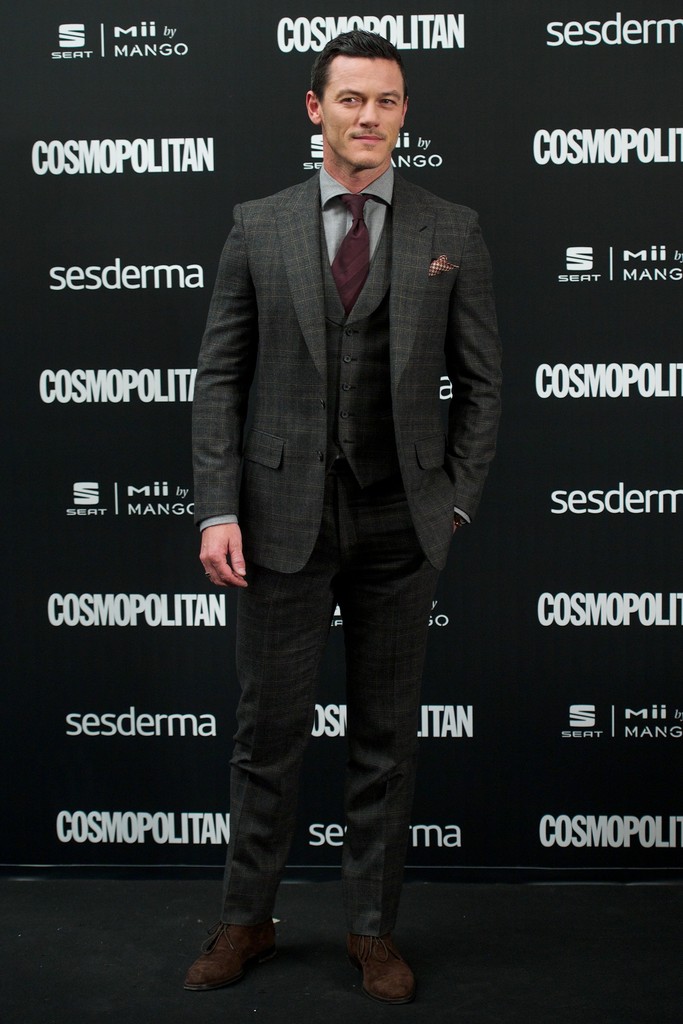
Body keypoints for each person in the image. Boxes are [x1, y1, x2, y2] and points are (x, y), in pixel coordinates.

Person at [185, 30, 501, 1004]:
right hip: (278, 518)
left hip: (402, 523)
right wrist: (216, 509)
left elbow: (483, 385)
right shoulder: (258, 225)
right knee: (266, 733)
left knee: (385, 738)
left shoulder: (452, 227)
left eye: (387, 100)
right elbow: (219, 378)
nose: (370, 116)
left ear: (404, 114)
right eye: (352, 98)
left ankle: (371, 929)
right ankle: (246, 918)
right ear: (314, 107)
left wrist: (451, 499)